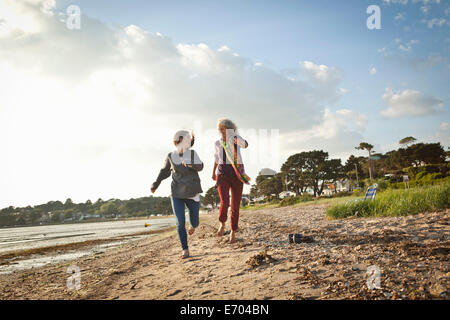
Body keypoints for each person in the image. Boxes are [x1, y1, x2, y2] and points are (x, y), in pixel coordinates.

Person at [151, 130, 203, 259]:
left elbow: (201, 166)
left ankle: (192, 226)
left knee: (195, 222)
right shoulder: (171, 155)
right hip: (176, 192)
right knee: (180, 222)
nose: (188, 142)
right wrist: (155, 184)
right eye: (186, 139)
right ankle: (185, 249)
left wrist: (190, 163)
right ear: (178, 140)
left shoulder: (192, 153)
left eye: (189, 140)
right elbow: (164, 171)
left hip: (192, 191)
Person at [212, 118, 250, 244]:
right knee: (224, 201)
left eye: (222, 128)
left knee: (235, 205)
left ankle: (233, 231)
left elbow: (245, 145)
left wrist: (236, 137)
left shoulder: (235, 139)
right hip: (222, 174)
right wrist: (213, 172)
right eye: (219, 129)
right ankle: (222, 224)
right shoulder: (218, 143)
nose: (220, 131)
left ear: (228, 129)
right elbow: (217, 159)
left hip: (237, 174)